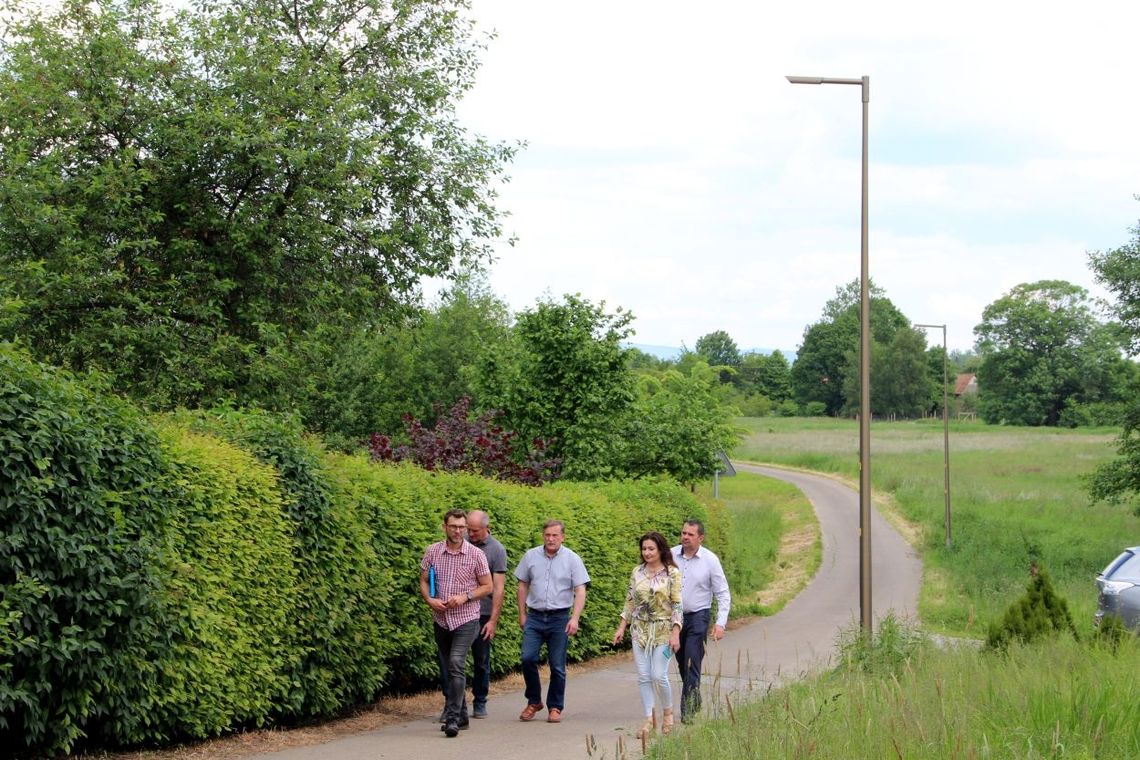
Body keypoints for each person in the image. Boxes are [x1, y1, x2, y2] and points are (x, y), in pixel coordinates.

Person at [420, 509, 493, 738]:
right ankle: (461, 714)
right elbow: (423, 580)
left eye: (462, 527)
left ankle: (451, 718)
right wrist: (430, 600)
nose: (458, 531)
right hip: (441, 619)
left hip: (466, 618)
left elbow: (488, 586)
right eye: (453, 526)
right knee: (447, 667)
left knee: (455, 662)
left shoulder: (475, 554)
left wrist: (465, 597)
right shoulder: (433, 551)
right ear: (445, 527)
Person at [514, 519, 590, 724]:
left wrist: (575, 618)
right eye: (547, 535)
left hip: (559, 618)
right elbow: (522, 586)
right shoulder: (530, 556)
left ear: (562, 537)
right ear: (543, 536)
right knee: (527, 658)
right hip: (535, 616)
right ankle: (534, 701)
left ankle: (555, 707)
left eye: (555, 535)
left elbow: (580, 589)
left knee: (557, 666)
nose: (550, 539)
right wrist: (522, 614)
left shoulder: (572, 559)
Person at [611, 531, 682, 739]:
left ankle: (668, 713)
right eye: (644, 549)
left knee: (658, 675)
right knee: (643, 676)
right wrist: (622, 626)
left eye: (651, 549)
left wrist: (676, 632)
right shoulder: (637, 572)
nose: (647, 553)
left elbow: (677, 604)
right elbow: (630, 600)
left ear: (660, 549)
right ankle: (649, 719)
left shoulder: (672, 573)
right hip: (640, 630)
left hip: (663, 629)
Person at [671, 519, 731, 724]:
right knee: (681, 663)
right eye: (683, 533)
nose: (685, 537)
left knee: (691, 662)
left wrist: (720, 623)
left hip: (698, 616)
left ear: (700, 538)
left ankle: (686, 712)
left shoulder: (710, 560)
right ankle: (694, 697)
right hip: (675, 618)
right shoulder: (670, 555)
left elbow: (722, 592)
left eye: (690, 534)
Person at [465, 509, 508, 718]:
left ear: (486, 528)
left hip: (482, 612)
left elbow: (499, 588)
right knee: (454, 659)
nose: (470, 535)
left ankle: (480, 701)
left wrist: (493, 620)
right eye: (468, 530)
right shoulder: (461, 543)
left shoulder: (496, 549)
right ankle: (453, 703)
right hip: (461, 611)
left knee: (481, 660)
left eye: (474, 531)